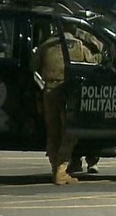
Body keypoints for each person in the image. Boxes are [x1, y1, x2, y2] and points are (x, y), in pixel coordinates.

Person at [31, 23, 101, 185]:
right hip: (68, 92)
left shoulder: (45, 45)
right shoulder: (78, 45)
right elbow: (92, 64)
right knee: (69, 133)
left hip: (48, 91)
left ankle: (55, 169)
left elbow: (32, 66)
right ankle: (61, 171)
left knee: (53, 132)